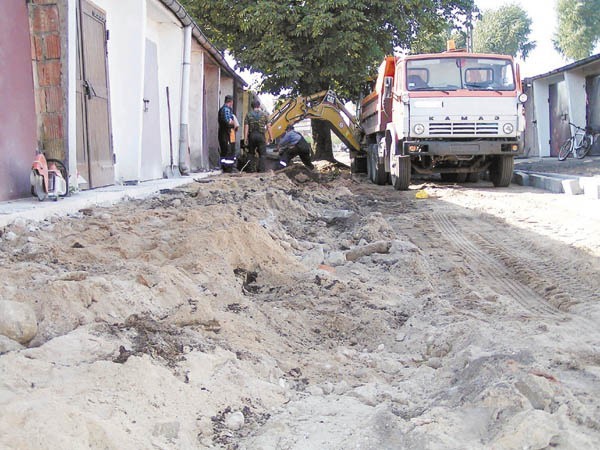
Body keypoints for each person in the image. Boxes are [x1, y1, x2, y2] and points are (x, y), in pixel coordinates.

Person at [243, 99, 272, 172]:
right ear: (259, 106)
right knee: (262, 154)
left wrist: (245, 138)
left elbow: (246, 127)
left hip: (252, 136)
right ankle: (261, 169)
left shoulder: (248, 114)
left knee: (251, 153)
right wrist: (271, 137)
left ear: (252, 106)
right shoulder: (264, 115)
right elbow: (269, 126)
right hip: (261, 136)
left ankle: (250, 169)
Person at [218, 95, 237, 172]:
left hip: (225, 133)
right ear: (231, 101)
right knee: (227, 151)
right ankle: (228, 168)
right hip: (226, 133)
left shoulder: (225, 109)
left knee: (225, 151)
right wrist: (234, 123)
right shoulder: (226, 109)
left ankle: (225, 167)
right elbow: (227, 121)